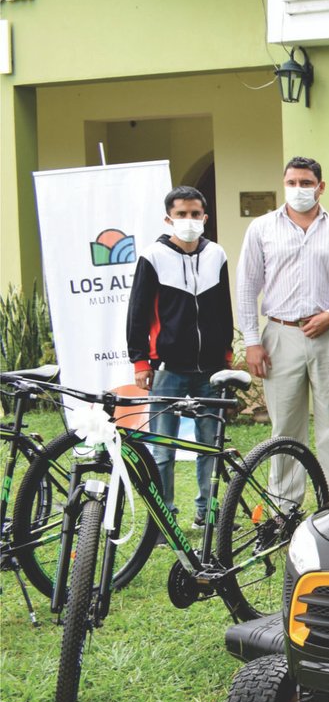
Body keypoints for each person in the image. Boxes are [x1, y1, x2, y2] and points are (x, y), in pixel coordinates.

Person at [236, 156, 329, 499]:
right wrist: (252, 341)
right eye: (292, 183)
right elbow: (247, 286)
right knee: (285, 428)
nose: (299, 189)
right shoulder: (262, 228)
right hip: (280, 334)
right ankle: (284, 507)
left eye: (306, 183)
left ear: (320, 187)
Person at [126, 185, 234, 525]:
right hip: (168, 368)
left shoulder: (217, 254)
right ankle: (163, 521)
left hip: (211, 370)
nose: (188, 220)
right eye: (181, 214)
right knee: (162, 450)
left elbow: (223, 309)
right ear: (168, 218)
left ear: (205, 217)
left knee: (209, 447)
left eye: (194, 214)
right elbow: (138, 313)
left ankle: (207, 515)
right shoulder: (152, 257)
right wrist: (140, 361)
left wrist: (227, 353)